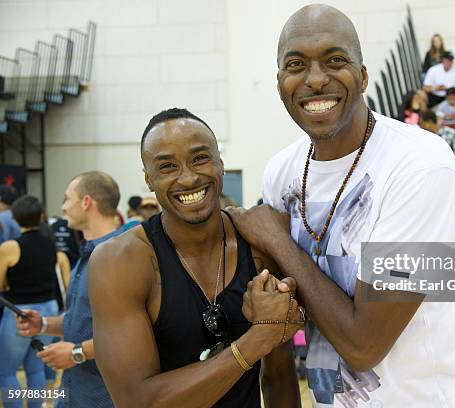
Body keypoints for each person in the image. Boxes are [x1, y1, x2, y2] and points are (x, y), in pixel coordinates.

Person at [229, 5, 455, 407]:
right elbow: (281, 320)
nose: (315, 80)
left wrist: (277, 242)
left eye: (335, 60)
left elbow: (366, 344)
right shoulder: (281, 171)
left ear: (363, 75)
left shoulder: (422, 165)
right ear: (280, 82)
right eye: (296, 65)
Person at [87, 108, 302, 407]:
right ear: (148, 179)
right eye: (167, 166)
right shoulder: (119, 262)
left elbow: (278, 374)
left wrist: (269, 335)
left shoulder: (259, 245)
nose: (188, 178)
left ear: (220, 163)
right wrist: (256, 340)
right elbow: (137, 401)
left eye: (200, 158)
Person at [17, 171, 123, 408]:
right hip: (72, 390)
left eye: (67, 199)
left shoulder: (117, 256)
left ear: (86, 202)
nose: (63, 207)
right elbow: (83, 318)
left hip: (101, 396)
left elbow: (127, 335)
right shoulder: (87, 253)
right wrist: (44, 324)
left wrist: (77, 352)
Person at [0, 196, 64, 408]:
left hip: (20, 312)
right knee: (36, 367)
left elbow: (0, 283)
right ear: (41, 216)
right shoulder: (50, 244)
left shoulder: (10, 246)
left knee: (7, 370)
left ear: (16, 218)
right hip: (48, 310)